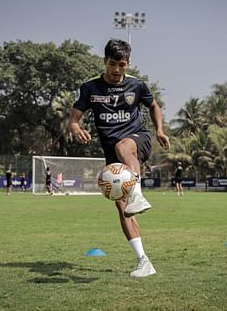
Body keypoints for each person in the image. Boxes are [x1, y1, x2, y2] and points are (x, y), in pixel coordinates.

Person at [68, 39, 170, 278]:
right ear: (104, 61)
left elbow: (154, 106)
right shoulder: (90, 89)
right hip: (112, 155)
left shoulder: (137, 86)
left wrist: (159, 130)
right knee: (123, 209)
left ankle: (137, 192)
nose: (116, 70)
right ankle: (143, 261)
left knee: (124, 146)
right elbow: (74, 118)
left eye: (121, 65)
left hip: (137, 140)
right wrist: (75, 128)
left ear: (128, 64)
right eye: (112, 64)